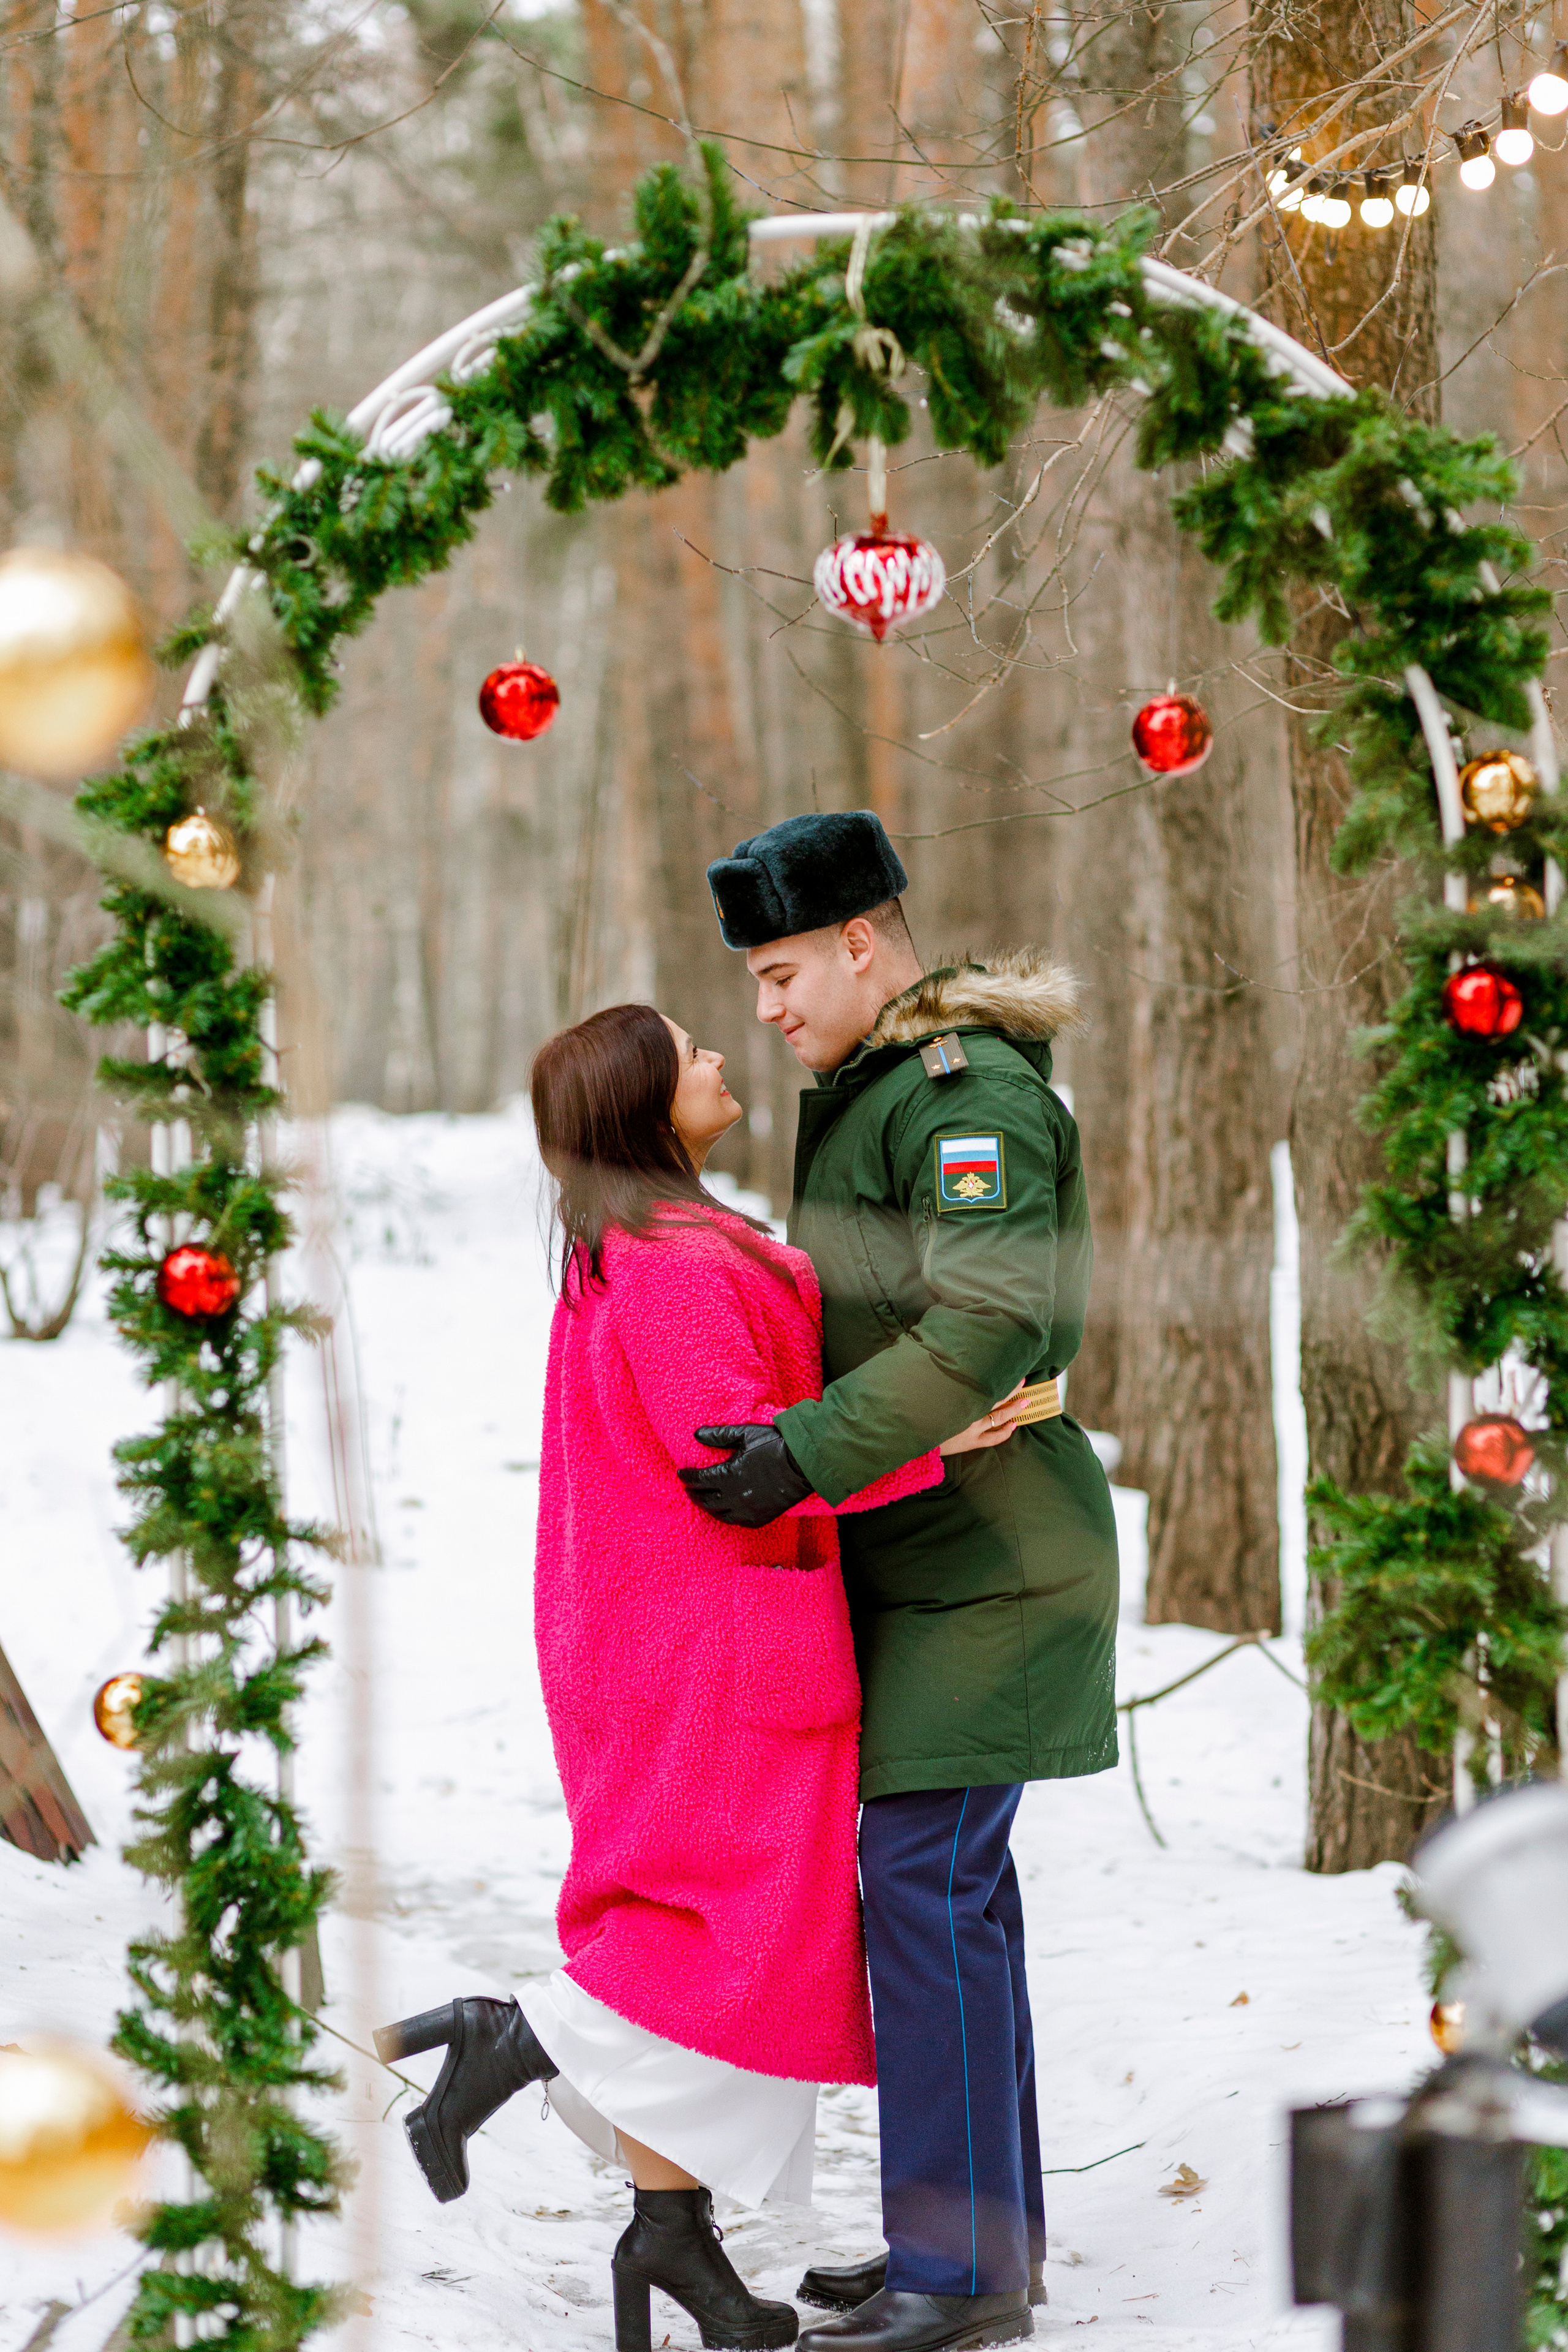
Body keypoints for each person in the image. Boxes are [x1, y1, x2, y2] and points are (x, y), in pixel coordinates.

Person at [375, 1000, 1023, 2352]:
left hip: (676, 1630)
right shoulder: (668, 1262)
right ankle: (517, 2038)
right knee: (730, 1941)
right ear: (641, 1105)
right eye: (689, 1054)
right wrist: (932, 1444)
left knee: (700, 1922)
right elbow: (732, 1461)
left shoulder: (646, 1238)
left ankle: (672, 2243)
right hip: (708, 1645)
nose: (720, 1056)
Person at [684, 812, 1120, 2352]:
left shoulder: (964, 1096)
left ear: (863, 940)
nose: (766, 1006)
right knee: (954, 1903)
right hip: (932, 1544)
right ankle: (976, 2248)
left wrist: (804, 1448)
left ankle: (957, 2279)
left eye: (784, 968)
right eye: (751, 977)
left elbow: (989, 1317)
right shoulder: (879, 1090)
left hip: (994, 1555)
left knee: (926, 1895)